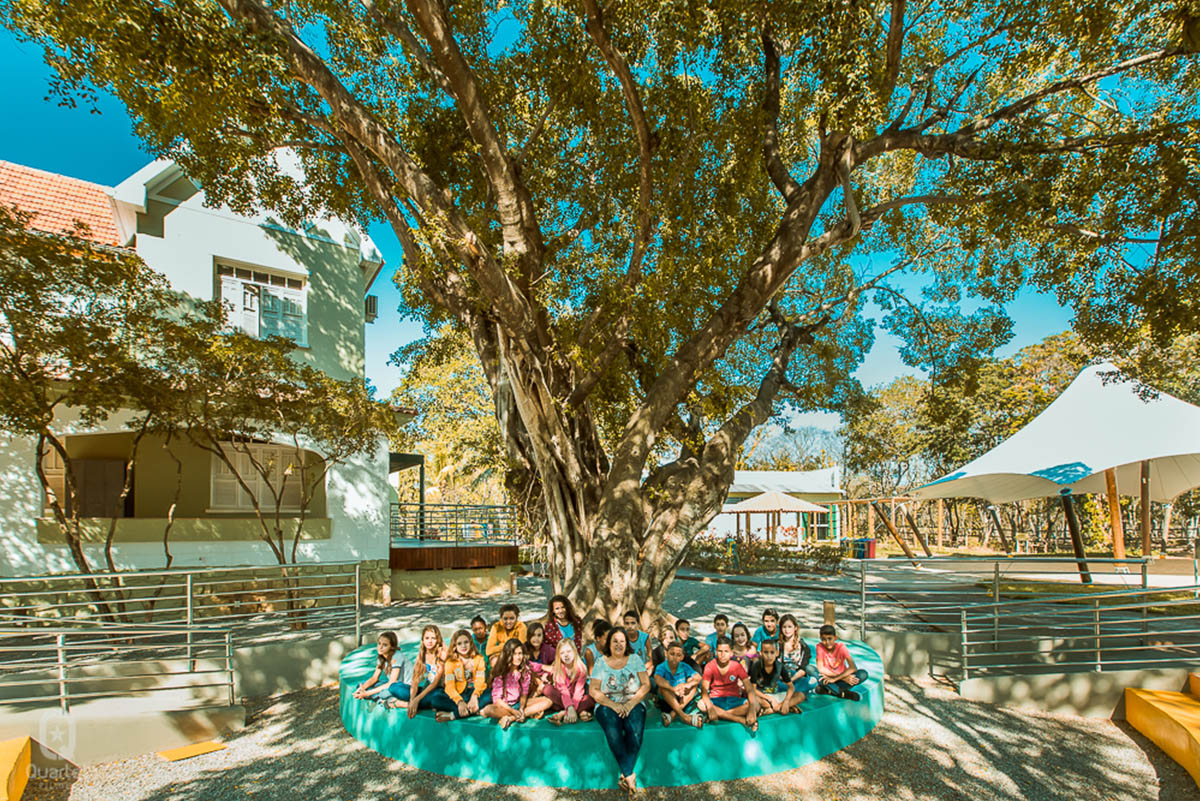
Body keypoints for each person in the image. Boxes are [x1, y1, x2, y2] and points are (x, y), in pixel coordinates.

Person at [589, 626, 651, 794]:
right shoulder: (601, 662)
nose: (618, 644)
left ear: (627, 643)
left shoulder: (635, 659)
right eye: (615, 641)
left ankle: (625, 774)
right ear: (609, 644)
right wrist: (614, 705)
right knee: (613, 732)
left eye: (622, 641)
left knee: (635, 732)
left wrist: (631, 704)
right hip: (607, 705)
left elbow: (646, 684)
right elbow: (593, 690)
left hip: (633, 701)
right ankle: (629, 775)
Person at [699, 636, 756, 731]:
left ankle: (722, 715)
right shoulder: (710, 666)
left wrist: (752, 710)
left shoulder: (736, 666)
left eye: (726, 651)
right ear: (715, 652)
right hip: (716, 700)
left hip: (734, 700)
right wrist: (710, 707)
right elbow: (704, 689)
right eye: (720, 651)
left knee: (755, 705)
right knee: (701, 704)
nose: (723, 654)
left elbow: (749, 688)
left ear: (731, 653)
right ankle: (738, 719)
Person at [435, 629, 491, 721]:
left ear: (471, 643)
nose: (463, 646)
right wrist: (459, 701)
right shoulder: (450, 662)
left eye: (466, 642)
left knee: (490, 695)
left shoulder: (479, 659)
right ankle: (474, 710)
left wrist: (474, 697)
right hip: (459, 694)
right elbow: (449, 686)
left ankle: (453, 715)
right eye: (459, 644)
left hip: (475, 693)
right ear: (455, 646)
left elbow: (481, 681)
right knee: (436, 700)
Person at [482, 638, 538, 729]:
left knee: (547, 701)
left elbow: (524, 694)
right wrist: (512, 711)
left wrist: (521, 709)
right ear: (508, 655)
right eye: (514, 654)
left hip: (518, 704)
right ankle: (516, 715)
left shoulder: (525, 670)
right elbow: (497, 699)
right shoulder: (501, 671)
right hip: (504, 706)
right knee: (488, 710)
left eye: (520, 653)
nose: (518, 657)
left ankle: (511, 718)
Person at [390, 624, 444, 714]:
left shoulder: (441, 655)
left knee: (436, 699)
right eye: (427, 638)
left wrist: (417, 699)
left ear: (437, 640)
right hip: (425, 690)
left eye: (433, 638)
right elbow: (415, 680)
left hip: (439, 690)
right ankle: (417, 703)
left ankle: (404, 704)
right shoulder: (421, 656)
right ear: (423, 640)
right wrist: (412, 699)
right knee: (394, 687)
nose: (430, 641)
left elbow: (435, 683)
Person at [544, 638, 595, 725]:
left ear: (574, 652)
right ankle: (578, 711)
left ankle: (563, 713)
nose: (566, 655)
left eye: (569, 651)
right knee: (547, 689)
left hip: (577, 698)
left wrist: (569, 710)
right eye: (562, 653)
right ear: (559, 656)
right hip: (562, 697)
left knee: (590, 699)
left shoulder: (581, 668)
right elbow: (563, 691)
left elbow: (578, 691)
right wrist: (570, 707)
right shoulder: (558, 668)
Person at [653, 640, 703, 728]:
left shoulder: (684, 666)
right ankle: (684, 717)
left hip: (682, 698)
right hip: (667, 699)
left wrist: (687, 685)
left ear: (682, 657)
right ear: (666, 654)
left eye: (678, 655)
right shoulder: (662, 666)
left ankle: (673, 714)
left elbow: (698, 677)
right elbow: (657, 679)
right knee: (663, 688)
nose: (675, 657)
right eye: (672, 654)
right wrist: (673, 689)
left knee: (694, 687)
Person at [747, 638, 801, 716]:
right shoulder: (756, 666)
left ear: (777, 653)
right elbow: (753, 689)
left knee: (800, 695)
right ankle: (784, 707)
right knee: (754, 699)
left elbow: (791, 687)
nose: (769, 656)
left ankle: (775, 708)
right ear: (761, 653)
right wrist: (770, 699)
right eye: (766, 652)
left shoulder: (780, 666)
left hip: (776, 695)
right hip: (763, 697)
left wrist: (786, 701)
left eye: (772, 652)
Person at [815, 624, 868, 701]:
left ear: (835, 638)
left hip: (839, 680)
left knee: (863, 674)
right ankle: (844, 694)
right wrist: (843, 678)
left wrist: (838, 678)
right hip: (829, 679)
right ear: (820, 639)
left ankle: (827, 690)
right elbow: (821, 669)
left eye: (830, 639)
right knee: (810, 669)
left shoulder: (841, 647)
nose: (827, 642)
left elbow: (853, 667)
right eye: (824, 639)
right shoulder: (820, 647)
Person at [352, 631, 408, 703]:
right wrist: (361, 689)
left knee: (383, 694)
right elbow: (374, 678)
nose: (380, 647)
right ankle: (381, 698)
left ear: (392, 647)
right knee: (361, 684)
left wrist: (367, 693)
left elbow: (392, 682)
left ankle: (385, 699)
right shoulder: (382, 657)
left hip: (402, 687)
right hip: (392, 685)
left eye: (385, 645)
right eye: (379, 643)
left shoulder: (397, 656)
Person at [778, 613, 818, 695]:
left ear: (795, 628)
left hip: (797, 676)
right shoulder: (777, 644)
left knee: (811, 681)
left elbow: (803, 669)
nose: (787, 630)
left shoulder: (803, 646)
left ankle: (793, 690)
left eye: (789, 627)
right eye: (784, 627)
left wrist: (790, 681)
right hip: (782, 676)